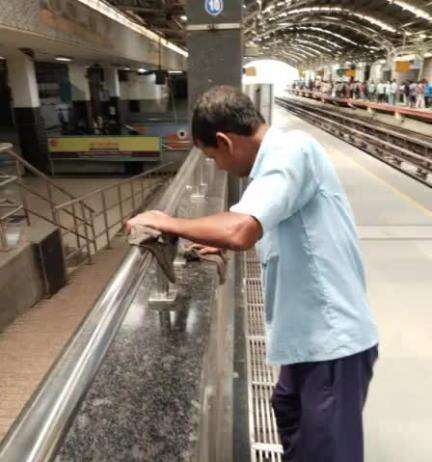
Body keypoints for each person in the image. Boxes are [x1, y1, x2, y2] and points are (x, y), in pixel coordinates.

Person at [127, 86, 379, 462]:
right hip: (304, 341)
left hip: (331, 345)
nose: (218, 168)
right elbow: (273, 228)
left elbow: (240, 229)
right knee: (292, 423)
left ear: (226, 142)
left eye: (213, 158)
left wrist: (168, 222)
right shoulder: (277, 164)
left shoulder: (292, 152)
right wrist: (218, 241)